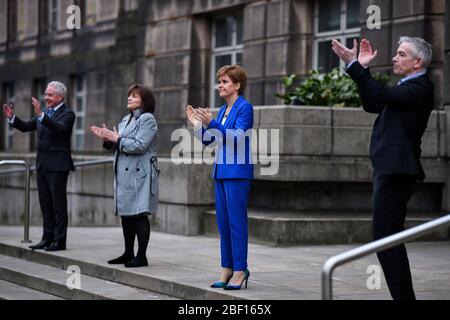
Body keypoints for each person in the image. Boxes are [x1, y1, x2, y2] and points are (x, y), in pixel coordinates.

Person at [331, 36, 434, 300]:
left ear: (417, 62)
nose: (394, 58)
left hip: (398, 171)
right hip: (390, 170)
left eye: (401, 54)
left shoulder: (421, 86)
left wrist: (355, 65)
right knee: (387, 240)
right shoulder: (405, 86)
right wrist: (361, 69)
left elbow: (380, 94)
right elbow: (372, 103)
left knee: (386, 240)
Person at [186, 65, 253, 290]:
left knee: (236, 223)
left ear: (237, 85)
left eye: (225, 82)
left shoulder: (245, 108)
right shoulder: (224, 110)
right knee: (223, 224)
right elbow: (211, 141)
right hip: (221, 172)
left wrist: (211, 123)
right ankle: (226, 268)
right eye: (220, 82)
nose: (220, 86)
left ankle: (240, 270)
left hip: (237, 173)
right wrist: (197, 126)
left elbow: (237, 137)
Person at [91, 84, 158, 268]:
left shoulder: (148, 119)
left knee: (139, 214)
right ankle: (128, 252)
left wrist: (116, 139)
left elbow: (139, 145)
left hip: (139, 174)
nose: (129, 98)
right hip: (123, 173)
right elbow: (117, 144)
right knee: (126, 215)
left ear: (144, 101)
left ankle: (141, 256)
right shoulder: (125, 119)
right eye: (129, 95)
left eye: (134, 96)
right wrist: (107, 139)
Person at [2, 81, 75, 251]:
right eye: (46, 94)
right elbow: (27, 126)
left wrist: (42, 116)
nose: (46, 97)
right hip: (42, 165)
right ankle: (46, 238)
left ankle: (59, 241)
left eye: (49, 95)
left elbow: (60, 129)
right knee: (45, 204)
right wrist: (12, 118)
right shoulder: (46, 112)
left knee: (58, 206)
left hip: (58, 166)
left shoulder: (68, 114)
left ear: (60, 96)